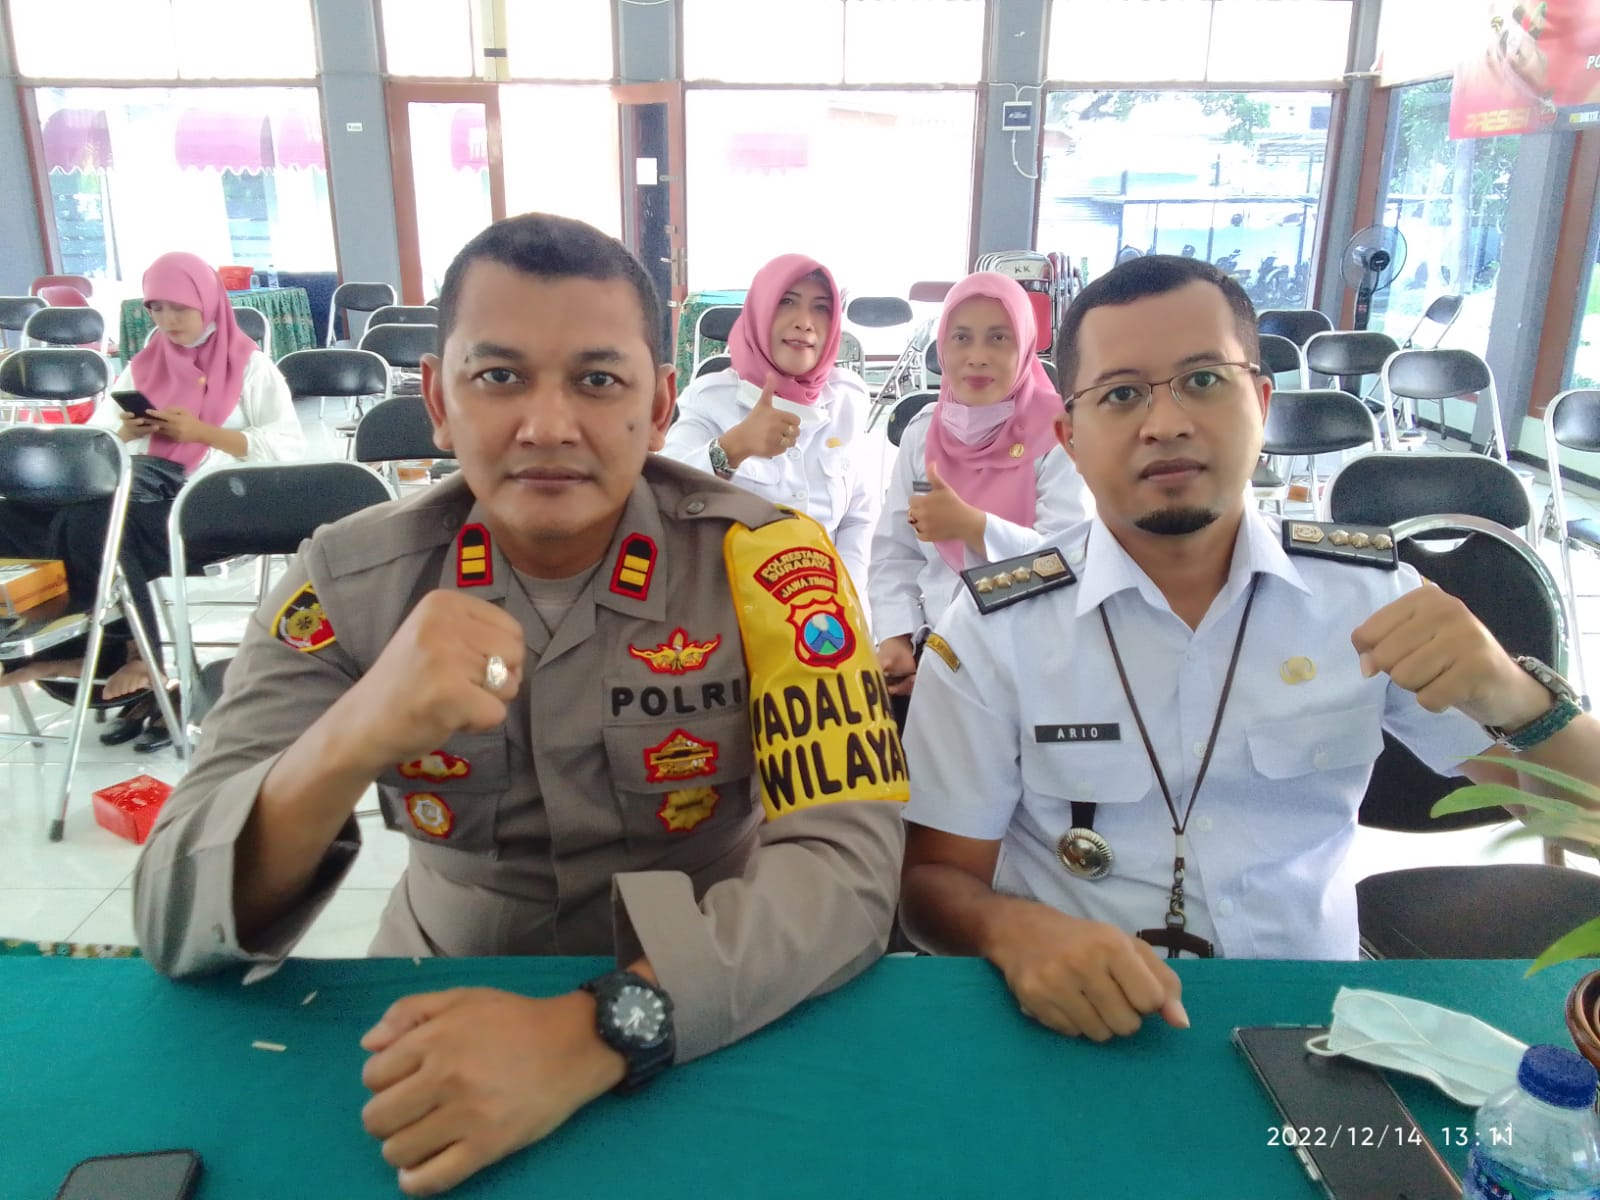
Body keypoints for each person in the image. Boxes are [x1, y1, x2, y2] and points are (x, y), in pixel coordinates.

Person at [132, 215, 907, 1196]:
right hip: (437, 988)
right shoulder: (349, 579)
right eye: (499, 377)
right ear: (438, 402)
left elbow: (849, 869)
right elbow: (172, 916)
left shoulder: (773, 564)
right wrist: (352, 731)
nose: (547, 425)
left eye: (597, 380)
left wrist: (593, 1031)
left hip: (726, 985)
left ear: (662, 404)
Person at [897, 254, 1600, 1044]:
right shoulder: (998, 627)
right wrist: (1008, 931)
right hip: (1076, 1024)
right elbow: (932, 880)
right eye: (1122, 394)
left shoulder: (1367, 598)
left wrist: (1517, 698)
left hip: (1314, 1022)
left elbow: (1583, 819)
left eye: (1203, 380)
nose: (1164, 423)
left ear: (1261, 402)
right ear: (1069, 434)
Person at [0, 252, 302, 751]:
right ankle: (87, 651)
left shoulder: (249, 366)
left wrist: (201, 432)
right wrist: (124, 430)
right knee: (16, 514)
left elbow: (287, 449)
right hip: (136, 496)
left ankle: (135, 657)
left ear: (207, 302)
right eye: (156, 309)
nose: (167, 321)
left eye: (179, 308)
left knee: (94, 519)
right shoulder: (145, 364)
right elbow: (93, 444)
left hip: (213, 506)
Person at [871, 272, 1089, 713]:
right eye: (961, 338)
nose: (977, 357)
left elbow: (1069, 558)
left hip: (1027, 658)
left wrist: (974, 527)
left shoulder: (1059, 435)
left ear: (1025, 346)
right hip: (933, 655)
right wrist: (897, 635)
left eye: (998, 338)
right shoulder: (922, 435)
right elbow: (894, 553)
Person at [660, 254, 876, 602]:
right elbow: (663, 499)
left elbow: (859, 519)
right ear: (760, 311)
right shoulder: (710, 397)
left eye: (821, 308)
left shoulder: (847, 398)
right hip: (733, 609)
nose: (805, 323)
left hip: (828, 615)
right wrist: (732, 448)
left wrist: (844, 597)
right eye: (787, 302)